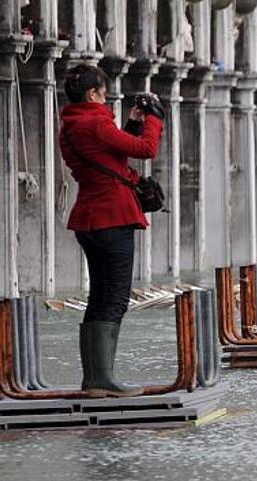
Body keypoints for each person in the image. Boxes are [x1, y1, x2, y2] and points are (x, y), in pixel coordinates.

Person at [59, 64, 165, 397]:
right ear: (92, 94)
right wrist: (155, 119)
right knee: (115, 298)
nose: (106, 102)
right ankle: (101, 379)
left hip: (90, 219)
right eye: (104, 95)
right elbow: (146, 150)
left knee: (99, 297)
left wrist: (134, 122)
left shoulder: (73, 126)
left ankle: (95, 379)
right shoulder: (95, 123)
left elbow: (114, 152)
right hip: (111, 218)